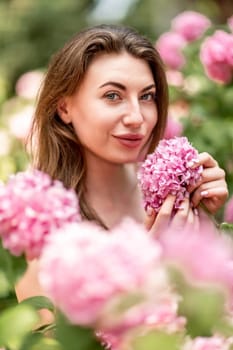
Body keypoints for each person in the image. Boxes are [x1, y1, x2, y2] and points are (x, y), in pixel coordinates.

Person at [15, 24, 228, 322]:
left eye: (147, 96)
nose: (137, 117)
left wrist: (208, 225)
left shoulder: (172, 192)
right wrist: (149, 273)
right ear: (64, 107)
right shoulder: (42, 229)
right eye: (113, 96)